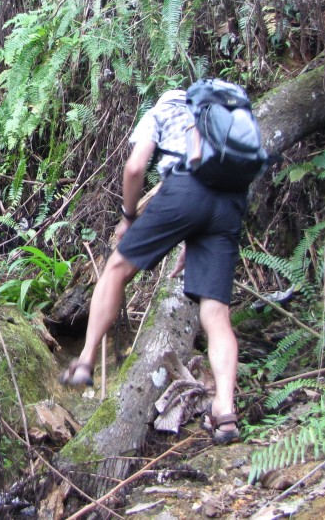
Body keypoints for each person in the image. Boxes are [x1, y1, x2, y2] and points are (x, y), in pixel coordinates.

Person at [59, 88, 248, 444]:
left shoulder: (161, 112)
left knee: (116, 269)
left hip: (186, 190)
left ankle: (84, 360)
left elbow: (135, 167)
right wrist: (196, 236)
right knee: (216, 313)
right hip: (229, 202)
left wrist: (128, 216)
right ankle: (225, 410)